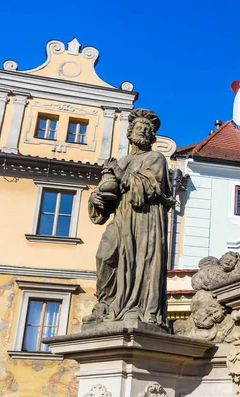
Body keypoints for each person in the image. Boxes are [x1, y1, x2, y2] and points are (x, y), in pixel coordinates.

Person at [82, 108, 174, 328]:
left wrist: (120, 173)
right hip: (122, 217)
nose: (142, 132)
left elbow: (148, 189)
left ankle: (136, 307)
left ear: (152, 136)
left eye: (147, 129)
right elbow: (109, 196)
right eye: (139, 128)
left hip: (144, 220)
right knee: (105, 255)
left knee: (139, 262)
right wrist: (97, 198)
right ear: (130, 133)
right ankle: (105, 305)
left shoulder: (156, 158)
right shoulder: (122, 160)